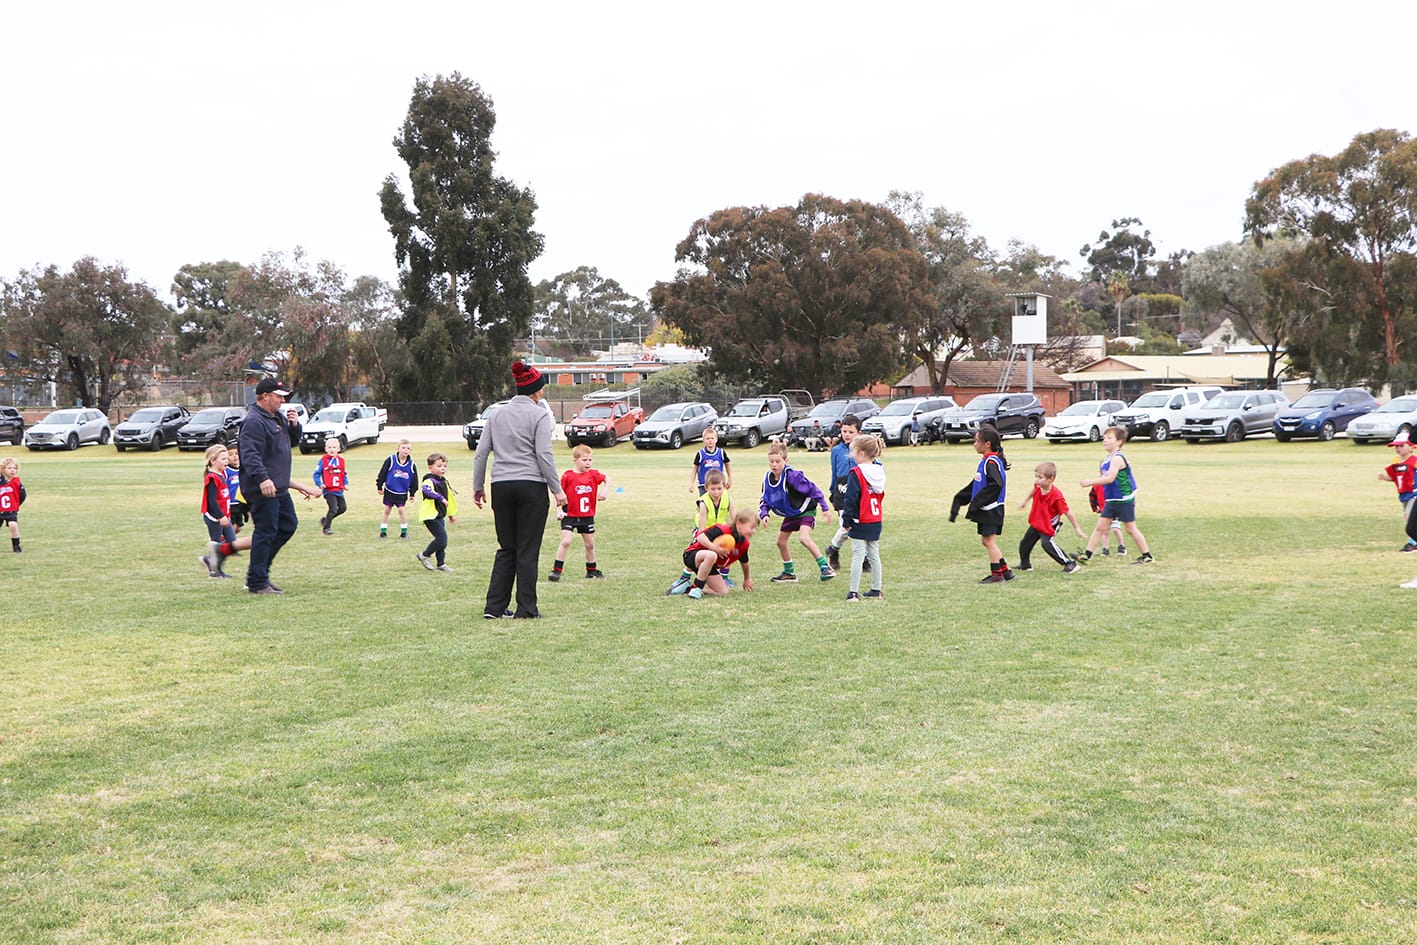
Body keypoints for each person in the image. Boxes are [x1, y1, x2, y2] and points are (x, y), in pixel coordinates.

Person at [473, 361, 568, 619]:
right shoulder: (539, 415)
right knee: (527, 549)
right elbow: (543, 455)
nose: (543, 393)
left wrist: (478, 486)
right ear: (535, 390)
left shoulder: (496, 414)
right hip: (531, 487)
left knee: (507, 547)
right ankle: (526, 608)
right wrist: (557, 489)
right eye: (541, 389)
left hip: (501, 486)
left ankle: (494, 607)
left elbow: (481, 454)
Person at [234, 378, 321, 594]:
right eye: (278, 396)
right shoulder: (254, 421)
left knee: (287, 525)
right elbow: (250, 455)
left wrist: (294, 425)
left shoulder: (275, 417)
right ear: (265, 396)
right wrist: (263, 479)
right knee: (266, 531)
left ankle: (259, 573)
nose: (283, 400)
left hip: (279, 487)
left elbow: (289, 443)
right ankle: (257, 582)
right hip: (263, 487)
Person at [758, 440, 835, 583]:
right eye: (771, 461)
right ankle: (789, 573)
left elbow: (813, 489)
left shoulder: (793, 476)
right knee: (781, 542)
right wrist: (764, 513)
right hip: (791, 513)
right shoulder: (768, 478)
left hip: (805, 510)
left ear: (785, 460)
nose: (774, 464)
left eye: (777, 461)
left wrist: (825, 508)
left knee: (803, 538)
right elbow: (765, 499)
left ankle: (826, 567)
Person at [1077, 425, 1154, 565]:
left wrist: (1090, 482)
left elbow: (1110, 478)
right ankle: (1086, 555)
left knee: (1130, 528)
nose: (1105, 440)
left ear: (1119, 442)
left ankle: (1147, 556)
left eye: (1109, 438)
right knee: (1100, 527)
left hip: (1123, 499)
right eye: (1104, 437)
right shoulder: (1107, 459)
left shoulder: (1118, 458)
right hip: (1112, 499)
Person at [950, 424, 1014, 583]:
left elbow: (996, 484)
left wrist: (977, 502)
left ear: (987, 444)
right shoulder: (987, 461)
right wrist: (959, 499)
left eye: (977, 441)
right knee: (988, 540)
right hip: (991, 509)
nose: (974, 444)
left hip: (991, 510)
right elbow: (976, 485)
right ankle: (1006, 571)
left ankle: (997, 575)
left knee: (988, 541)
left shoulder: (991, 462)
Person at [667, 469, 734, 594]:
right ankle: (685, 577)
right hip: (704, 533)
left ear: (724, 487)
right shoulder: (704, 503)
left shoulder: (728, 499)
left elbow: (735, 519)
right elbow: (701, 530)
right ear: (706, 487)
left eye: (719, 488)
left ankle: (724, 578)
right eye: (713, 489)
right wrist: (711, 544)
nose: (716, 492)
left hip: (720, 532)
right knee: (699, 552)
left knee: (729, 546)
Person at [550, 444, 609, 581]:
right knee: (566, 541)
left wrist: (605, 490)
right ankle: (556, 570)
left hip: (586, 516)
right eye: (584, 460)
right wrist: (558, 510)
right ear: (575, 460)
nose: (588, 463)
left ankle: (591, 570)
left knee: (590, 544)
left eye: (590, 460)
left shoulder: (594, 474)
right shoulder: (568, 476)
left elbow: (607, 478)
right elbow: (557, 493)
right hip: (569, 515)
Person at [1018, 461, 1086, 574]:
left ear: (1051, 479)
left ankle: (1069, 563)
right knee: (1025, 544)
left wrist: (1077, 528)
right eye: (1036, 476)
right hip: (1038, 522)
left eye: (1040, 477)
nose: (1037, 480)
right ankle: (1025, 565)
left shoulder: (1056, 496)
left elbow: (1068, 512)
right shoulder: (1038, 486)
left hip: (1049, 525)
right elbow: (1033, 491)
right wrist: (1025, 501)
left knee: (1047, 543)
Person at [842, 433, 886, 601]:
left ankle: (853, 591)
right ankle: (876, 589)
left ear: (861, 453)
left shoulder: (857, 473)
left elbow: (851, 498)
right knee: (874, 554)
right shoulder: (879, 471)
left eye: (854, 451)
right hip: (875, 519)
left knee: (858, 554)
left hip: (861, 519)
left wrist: (846, 519)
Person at [679, 507, 760, 599]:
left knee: (722, 592)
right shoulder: (722, 530)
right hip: (692, 555)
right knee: (711, 555)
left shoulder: (744, 544)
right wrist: (714, 548)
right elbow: (700, 537)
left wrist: (747, 578)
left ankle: (687, 588)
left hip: (708, 565)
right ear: (739, 524)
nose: (754, 531)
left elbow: (744, 562)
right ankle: (696, 587)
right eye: (752, 527)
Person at [199, 444, 250, 578]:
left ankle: (209, 561)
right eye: (223, 459)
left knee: (231, 541)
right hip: (214, 517)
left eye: (226, 459)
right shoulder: (212, 478)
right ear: (213, 460)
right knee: (216, 543)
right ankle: (215, 570)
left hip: (224, 516)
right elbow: (212, 501)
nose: (226, 462)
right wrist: (220, 516)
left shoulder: (221, 474)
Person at [824, 415, 862, 571]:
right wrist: (832, 492)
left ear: (858, 433)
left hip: (858, 489)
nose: (846, 434)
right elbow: (834, 472)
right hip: (841, 489)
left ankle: (833, 548)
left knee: (860, 524)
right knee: (846, 526)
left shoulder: (861, 450)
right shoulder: (837, 450)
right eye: (844, 431)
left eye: (850, 432)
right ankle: (836, 552)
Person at [416, 452, 457, 572]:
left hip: (439, 515)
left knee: (442, 541)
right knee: (442, 539)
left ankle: (441, 563)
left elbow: (448, 499)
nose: (443, 468)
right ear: (430, 468)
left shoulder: (443, 481)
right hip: (430, 516)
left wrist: (450, 514)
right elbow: (426, 491)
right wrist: (440, 498)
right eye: (439, 466)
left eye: (444, 466)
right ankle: (424, 555)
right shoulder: (429, 481)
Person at [1378, 431, 1417, 552]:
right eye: (1396, 446)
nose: (1398, 448)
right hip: (1404, 495)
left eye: (1402, 445)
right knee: (1408, 517)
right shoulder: (1396, 462)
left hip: (1414, 494)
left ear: (1411, 447)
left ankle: (1413, 543)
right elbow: (1396, 478)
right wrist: (1385, 478)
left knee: (1409, 517)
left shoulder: (1414, 461)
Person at [375, 439, 418, 540]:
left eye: (408, 448)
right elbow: (382, 473)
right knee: (387, 509)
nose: (405, 450)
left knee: (401, 510)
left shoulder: (411, 464)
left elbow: (414, 479)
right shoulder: (390, 460)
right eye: (403, 448)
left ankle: (404, 532)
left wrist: (412, 493)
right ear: (398, 449)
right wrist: (379, 486)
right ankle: (383, 531)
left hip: (402, 492)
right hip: (390, 490)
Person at [312, 437, 348, 536]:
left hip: (339, 490)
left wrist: (345, 483)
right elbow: (316, 474)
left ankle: (325, 520)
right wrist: (320, 484)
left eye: (334, 447)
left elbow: (343, 473)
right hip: (329, 490)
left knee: (342, 508)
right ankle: (326, 528)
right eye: (329, 447)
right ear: (326, 449)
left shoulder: (341, 461)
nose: (332, 449)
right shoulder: (323, 460)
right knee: (333, 509)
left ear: (339, 449)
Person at [1089, 482, 1128, 557]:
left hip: (1116, 510)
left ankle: (1121, 546)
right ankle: (1105, 549)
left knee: (1115, 529)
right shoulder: (1097, 484)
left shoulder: (1115, 484)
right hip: (1104, 511)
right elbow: (1092, 496)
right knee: (1104, 531)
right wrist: (1094, 508)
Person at [690, 426, 731, 496]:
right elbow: (694, 469)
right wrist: (691, 483)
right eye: (707, 438)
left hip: (718, 485)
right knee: (704, 504)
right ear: (703, 440)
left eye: (712, 438)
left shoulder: (721, 452)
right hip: (704, 486)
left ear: (716, 439)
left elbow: (728, 464)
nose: (710, 440)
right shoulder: (700, 454)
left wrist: (730, 479)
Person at [0, 457, 26, 553]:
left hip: (11, 510)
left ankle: (16, 545)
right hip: (0, 509)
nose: (12, 470)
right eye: (9, 468)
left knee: (13, 525)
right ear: (3, 469)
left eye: (14, 468)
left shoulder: (16, 482)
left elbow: (23, 495)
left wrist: (16, 504)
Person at [225, 446, 248, 532]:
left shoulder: (243, 469)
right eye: (231, 455)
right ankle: (220, 543)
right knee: (232, 527)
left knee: (238, 528)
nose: (234, 456)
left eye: (237, 454)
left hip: (240, 503)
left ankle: (225, 542)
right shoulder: (226, 471)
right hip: (231, 504)